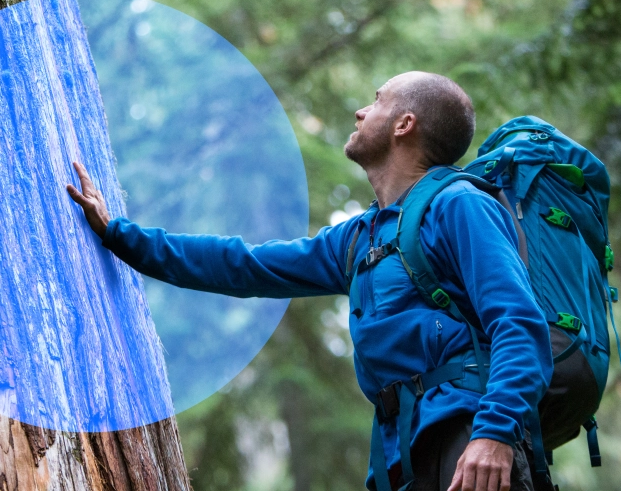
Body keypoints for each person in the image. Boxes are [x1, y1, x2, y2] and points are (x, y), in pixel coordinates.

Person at [66, 71, 552, 491]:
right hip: (402, 450)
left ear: (405, 125)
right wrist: (119, 235)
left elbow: (519, 324)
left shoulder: (460, 205)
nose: (362, 111)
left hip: (469, 440)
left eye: (378, 101)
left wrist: (494, 433)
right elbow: (245, 264)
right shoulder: (360, 237)